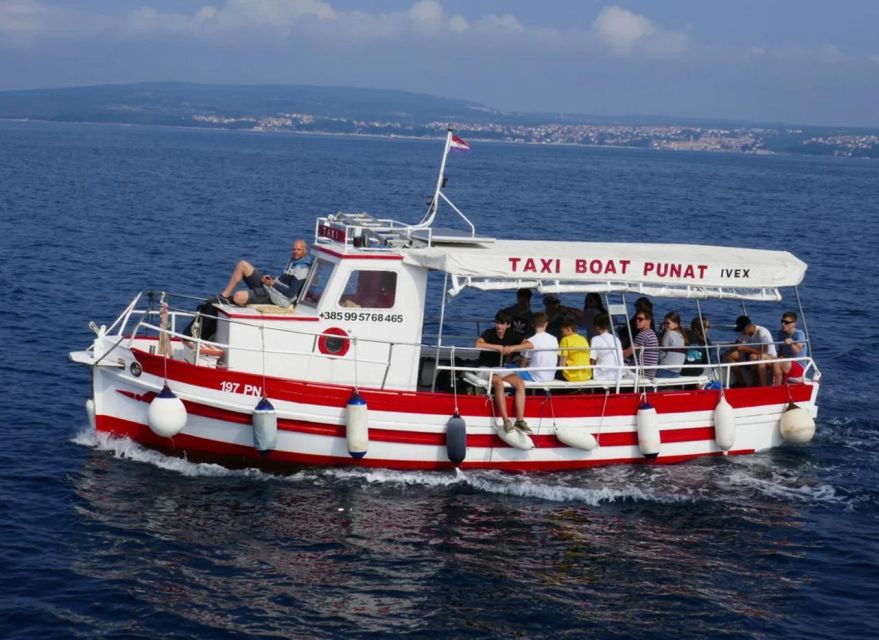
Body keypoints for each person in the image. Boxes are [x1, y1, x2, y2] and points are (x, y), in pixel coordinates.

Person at [475, 310, 533, 434]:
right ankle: (506, 420)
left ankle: (520, 421)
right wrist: (497, 347)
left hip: (500, 368)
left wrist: (512, 348)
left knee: (520, 383)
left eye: (502, 323)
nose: (499, 326)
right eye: (497, 323)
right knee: (498, 382)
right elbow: (478, 344)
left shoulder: (512, 334)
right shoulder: (489, 333)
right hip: (484, 367)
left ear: (508, 325)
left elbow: (529, 345)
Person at [220, 239, 313, 307]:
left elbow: (291, 293)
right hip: (271, 287)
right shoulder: (293, 261)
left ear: (305, 251)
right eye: (294, 249)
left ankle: (245, 304)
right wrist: (271, 279)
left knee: (238, 296)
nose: (295, 252)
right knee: (242, 265)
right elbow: (283, 280)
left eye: (298, 250)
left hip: (276, 297)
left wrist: (273, 284)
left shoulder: (302, 269)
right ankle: (223, 296)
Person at [723, 315, 777, 387]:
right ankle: (741, 382)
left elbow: (764, 351)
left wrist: (744, 348)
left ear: (749, 326)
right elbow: (738, 343)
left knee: (753, 357)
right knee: (728, 355)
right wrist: (734, 347)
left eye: (742, 329)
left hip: (767, 356)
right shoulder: (745, 333)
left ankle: (755, 382)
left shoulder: (761, 332)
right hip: (752, 354)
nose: (742, 331)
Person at [519, 312, 559, 383]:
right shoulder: (554, 339)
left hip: (534, 377)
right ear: (546, 323)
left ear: (532, 324)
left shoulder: (529, 341)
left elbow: (522, 365)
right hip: (550, 376)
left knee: (508, 368)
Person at [773, 311, 808, 385]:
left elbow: (797, 350)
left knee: (776, 362)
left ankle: (777, 388)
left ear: (794, 324)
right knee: (763, 358)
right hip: (786, 362)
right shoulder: (781, 333)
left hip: (798, 365)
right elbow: (780, 351)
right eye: (782, 321)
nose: (783, 324)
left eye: (786, 322)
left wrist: (791, 344)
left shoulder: (799, 334)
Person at [623, 308, 659, 377]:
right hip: (649, 373)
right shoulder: (652, 333)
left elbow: (627, 354)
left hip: (640, 374)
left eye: (640, 319)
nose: (637, 321)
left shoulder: (642, 335)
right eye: (636, 319)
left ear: (648, 321)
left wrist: (615, 351)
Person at [590, 313, 624, 381]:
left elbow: (592, 361)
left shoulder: (595, 339)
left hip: (602, 376)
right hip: (618, 375)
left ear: (597, 327)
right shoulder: (616, 339)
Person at [656, 311, 688, 378]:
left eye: (667, 323)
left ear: (676, 324)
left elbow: (661, 354)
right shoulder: (681, 336)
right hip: (677, 371)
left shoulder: (668, 334)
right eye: (664, 323)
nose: (665, 325)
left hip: (664, 370)